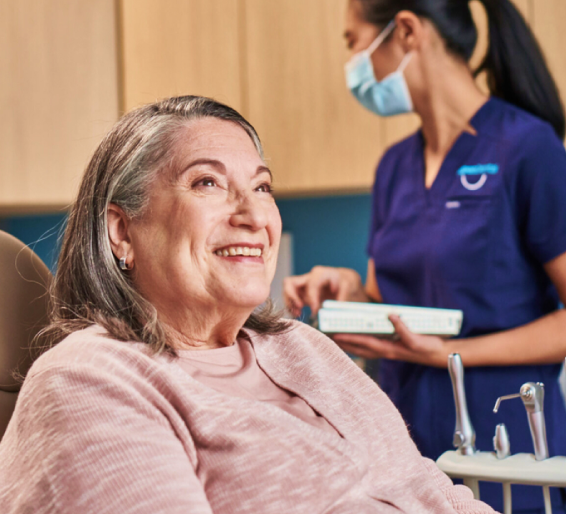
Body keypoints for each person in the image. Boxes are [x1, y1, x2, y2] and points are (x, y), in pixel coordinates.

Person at [0, 96, 496, 514]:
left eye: (262, 186)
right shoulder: (89, 381)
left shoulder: (301, 348)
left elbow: (431, 492)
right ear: (121, 231)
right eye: (207, 183)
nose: (253, 214)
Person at [283, 1, 566, 513]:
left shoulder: (528, 149)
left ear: (405, 31)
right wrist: (349, 292)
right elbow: (390, 303)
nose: (354, 63)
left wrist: (451, 354)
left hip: (508, 456)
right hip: (406, 458)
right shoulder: (394, 167)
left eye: (354, 42)